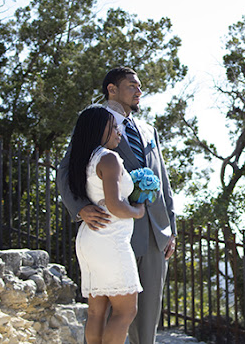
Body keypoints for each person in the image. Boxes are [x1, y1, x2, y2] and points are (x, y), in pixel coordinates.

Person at [57, 67, 177, 344]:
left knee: (147, 314)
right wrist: (80, 207)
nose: (139, 91)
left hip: (156, 232)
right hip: (112, 230)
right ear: (112, 89)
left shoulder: (148, 130)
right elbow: (66, 169)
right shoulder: (95, 123)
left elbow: (163, 182)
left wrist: (171, 228)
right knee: (112, 309)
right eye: (132, 85)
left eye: (140, 86)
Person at [67, 105, 145, 344]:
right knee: (125, 311)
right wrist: (138, 211)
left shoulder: (84, 159)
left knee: (96, 312)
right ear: (100, 129)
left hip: (90, 239)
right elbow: (115, 206)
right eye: (113, 127)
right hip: (111, 239)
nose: (119, 131)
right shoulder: (109, 158)